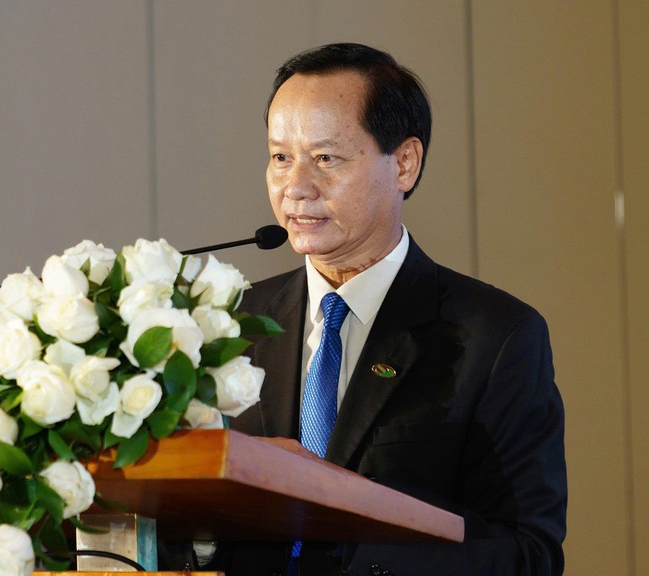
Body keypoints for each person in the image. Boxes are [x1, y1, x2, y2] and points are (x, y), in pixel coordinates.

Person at [162, 43, 567, 575]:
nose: (295, 188)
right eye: (280, 157)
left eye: (325, 158)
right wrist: (201, 536)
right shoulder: (227, 323)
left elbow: (529, 555)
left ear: (404, 164)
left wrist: (346, 530)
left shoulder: (494, 337)